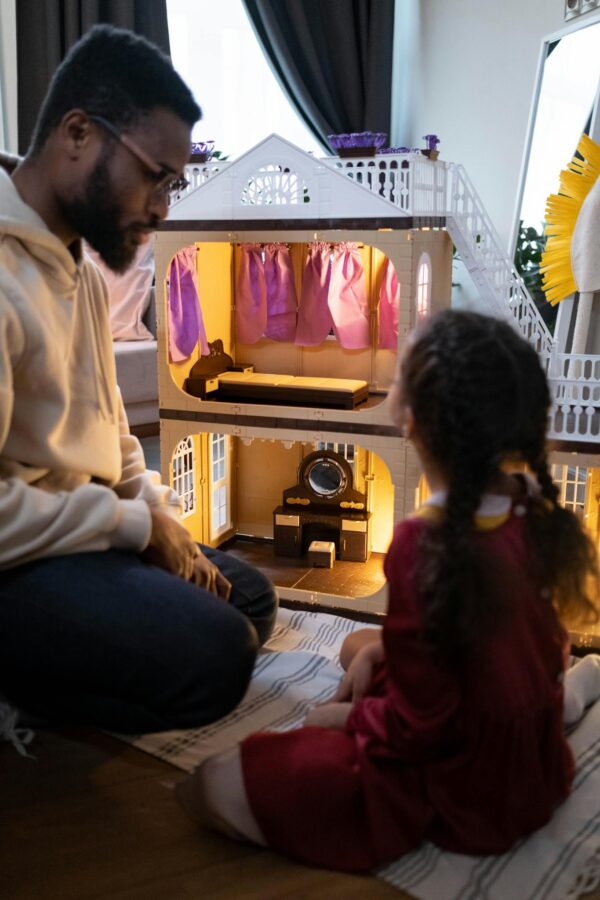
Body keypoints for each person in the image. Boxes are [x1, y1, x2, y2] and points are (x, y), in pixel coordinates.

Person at [176, 309, 600, 871]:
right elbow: (513, 647)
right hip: (530, 757)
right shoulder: (531, 509)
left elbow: (418, 729)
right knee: (358, 648)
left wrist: (345, 722)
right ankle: (580, 688)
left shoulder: (422, 544)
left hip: (458, 778)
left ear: (412, 419)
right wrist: (380, 652)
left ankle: (575, 692)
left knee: (212, 784)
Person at [0, 24, 277, 740]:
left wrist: (161, 524)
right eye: (157, 175)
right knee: (218, 652)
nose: (163, 207)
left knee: (247, 598)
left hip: (72, 537)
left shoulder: (80, 270)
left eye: (174, 184)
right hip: (15, 561)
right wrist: (131, 525)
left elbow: (115, 436)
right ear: (78, 134)